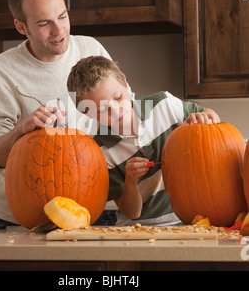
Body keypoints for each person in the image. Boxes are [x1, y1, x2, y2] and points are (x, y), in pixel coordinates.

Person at [0, 0, 133, 225]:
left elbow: (128, 116)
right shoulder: (0, 71)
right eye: (44, 23)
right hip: (19, 218)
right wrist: (20, 130)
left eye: (62, 16)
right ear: (21, 27)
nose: (59, 30)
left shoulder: (91, 49)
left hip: (88, 209)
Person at [67, 56, 221, 226]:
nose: (116, 111)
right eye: (102, 109)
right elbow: (133, 212)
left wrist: (202, 120)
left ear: (125, 83)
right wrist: (130, 181)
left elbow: (211, 117)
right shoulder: (100, 152)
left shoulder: (165, 105)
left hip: (188, 221)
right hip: (140, 229)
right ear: (86, 112)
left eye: (117, 98)